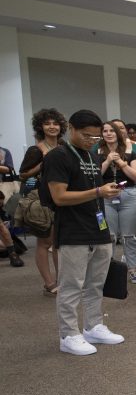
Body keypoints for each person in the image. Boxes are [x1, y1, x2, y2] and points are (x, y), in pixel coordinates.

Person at [44, 109, 124, 355]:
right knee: (71, 286)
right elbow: (59, 196)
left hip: (98, 227)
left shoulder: (89, 156)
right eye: (86, 136)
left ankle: (93, 326)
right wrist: (98, 192)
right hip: (73, 231)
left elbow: (91, 187)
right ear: (71, 129)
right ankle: (68, 335)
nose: (92, 140)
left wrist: (105, 189)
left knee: (95, 284)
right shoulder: (58, 156)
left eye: (95, 137)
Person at [19, 107, 65, 295]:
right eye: (47, 123)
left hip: (61, 198)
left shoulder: (63, 146)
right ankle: (49, 282)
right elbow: (22, 174)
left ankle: (62, 281)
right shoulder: (35, 150)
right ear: (40, 127)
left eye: (55, 123)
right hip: (41, 199)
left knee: (58, 242)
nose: (52, 127)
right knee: (44, 242)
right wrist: (42, 164)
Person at [97, 121, 136, 284]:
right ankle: (107, 270)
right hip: (105, 197)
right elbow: (95, 177)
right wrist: (108, 160)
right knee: (107, 236)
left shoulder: (131, 155)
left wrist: (121, 163)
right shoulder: (95, 154)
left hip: (129, 196)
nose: (108, 133)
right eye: (105, 131)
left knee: (129, 236)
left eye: (112, 130)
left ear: (119, 133)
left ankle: (132, 269)